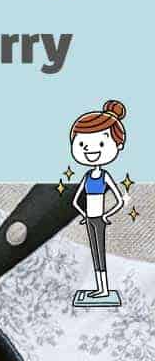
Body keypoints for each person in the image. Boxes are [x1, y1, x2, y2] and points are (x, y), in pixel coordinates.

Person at [70, 99, 127, 299]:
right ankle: (99, 287)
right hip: (90, 218)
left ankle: (103, 289)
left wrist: (105, 214)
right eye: (82, 143)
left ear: (117, 145)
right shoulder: (86, 177)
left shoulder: (105, 176)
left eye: (101, 143)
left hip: (99, 219)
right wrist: (85, 213)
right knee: (95, 253)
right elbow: (77, 200)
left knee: (100, 253)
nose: (89, 149)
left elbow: (119, 200)